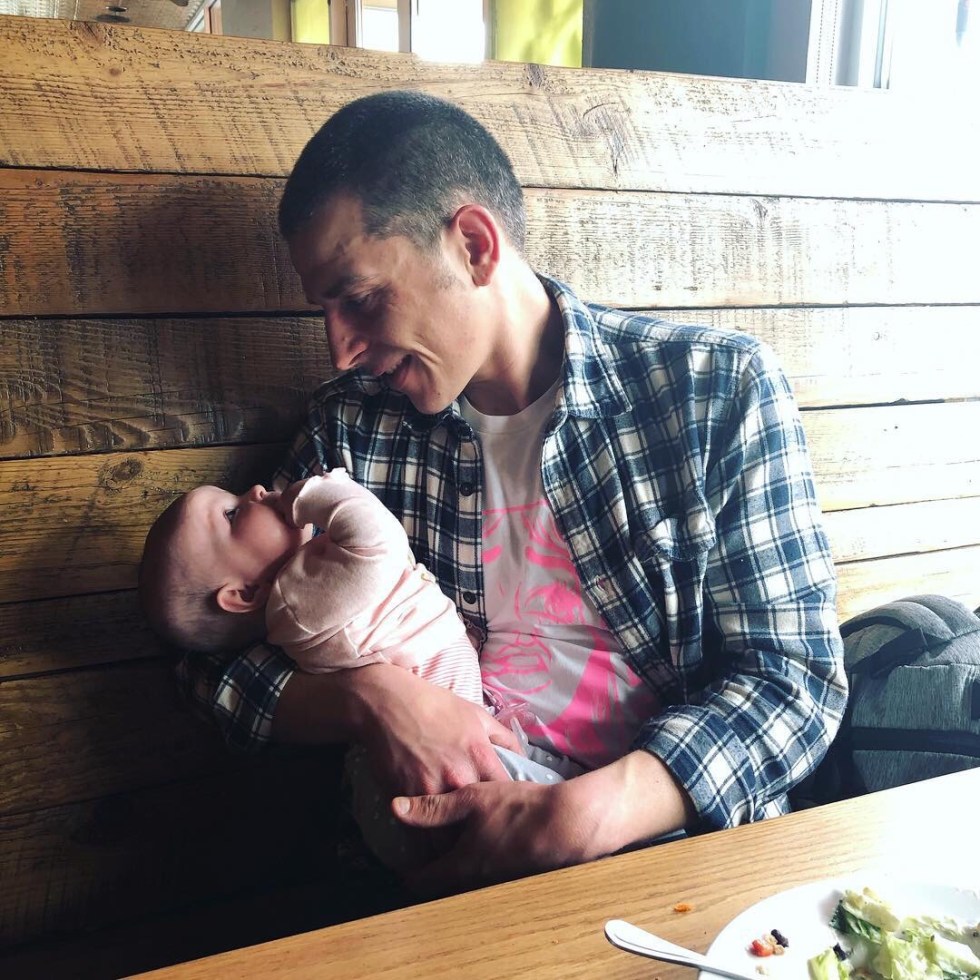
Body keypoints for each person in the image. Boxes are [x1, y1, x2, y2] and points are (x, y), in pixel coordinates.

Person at [176, 89, 847, 897]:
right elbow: (210, 657)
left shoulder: (714, 391)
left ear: (473, 245)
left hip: (682, 866)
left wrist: (588, 815)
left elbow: (793, 682)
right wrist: (372, 698)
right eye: (325, 310)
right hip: (431, 871)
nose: (341, 349)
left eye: (360, 298)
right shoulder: (350, 432)